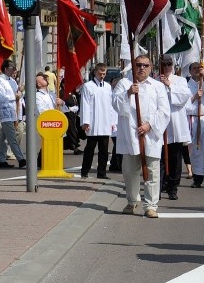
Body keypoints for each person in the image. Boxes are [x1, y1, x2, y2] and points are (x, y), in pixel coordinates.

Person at [112, 56, 171, 218]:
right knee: (130, 172)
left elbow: (164, 111)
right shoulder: (124, 84)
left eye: (146, 65)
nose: (142, 68)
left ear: (151, 68)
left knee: (152, 172)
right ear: (134, 66)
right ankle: (132, 201)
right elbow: (116, 105)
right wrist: (128, 93)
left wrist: (149, 125)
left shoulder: (157, 86)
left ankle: (151, 205)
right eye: (139, 65)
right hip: (130, 136)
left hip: (151, 135)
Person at [158, 54, 191, 200]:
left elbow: (184, 97)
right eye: (163, 64)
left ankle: (173, 186)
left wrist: (169, 85)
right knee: (159, 158)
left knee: (175, 158)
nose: (166, 67)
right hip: (160, 125)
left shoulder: (180, 80)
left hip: (175, 125)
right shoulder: (154, 80)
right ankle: (159, 185)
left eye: (169, 64)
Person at [80, 63, 114, 179]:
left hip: (105, 122)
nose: (102, 76)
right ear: (95, 72)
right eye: (100, 73)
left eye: (104, 73)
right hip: (93, 122)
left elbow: (111, 106)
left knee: (104, 150)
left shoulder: (108, 87)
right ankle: (85, 171)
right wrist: (85, 122)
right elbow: (85, 104)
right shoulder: (88, 86)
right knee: (90, 149)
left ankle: (102, 172)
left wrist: (112, 122)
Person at [0, 61, 24, 169]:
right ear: (6, 69)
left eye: (15, 68)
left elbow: (18, 97)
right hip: (5, 112)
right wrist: (14, 96)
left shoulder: (12, 81)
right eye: (12, 68)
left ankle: (1, 159)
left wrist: (19, 94)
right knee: (12, 136)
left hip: (13, 112)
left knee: (3, 137)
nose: (14, 70)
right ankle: (21, 159)